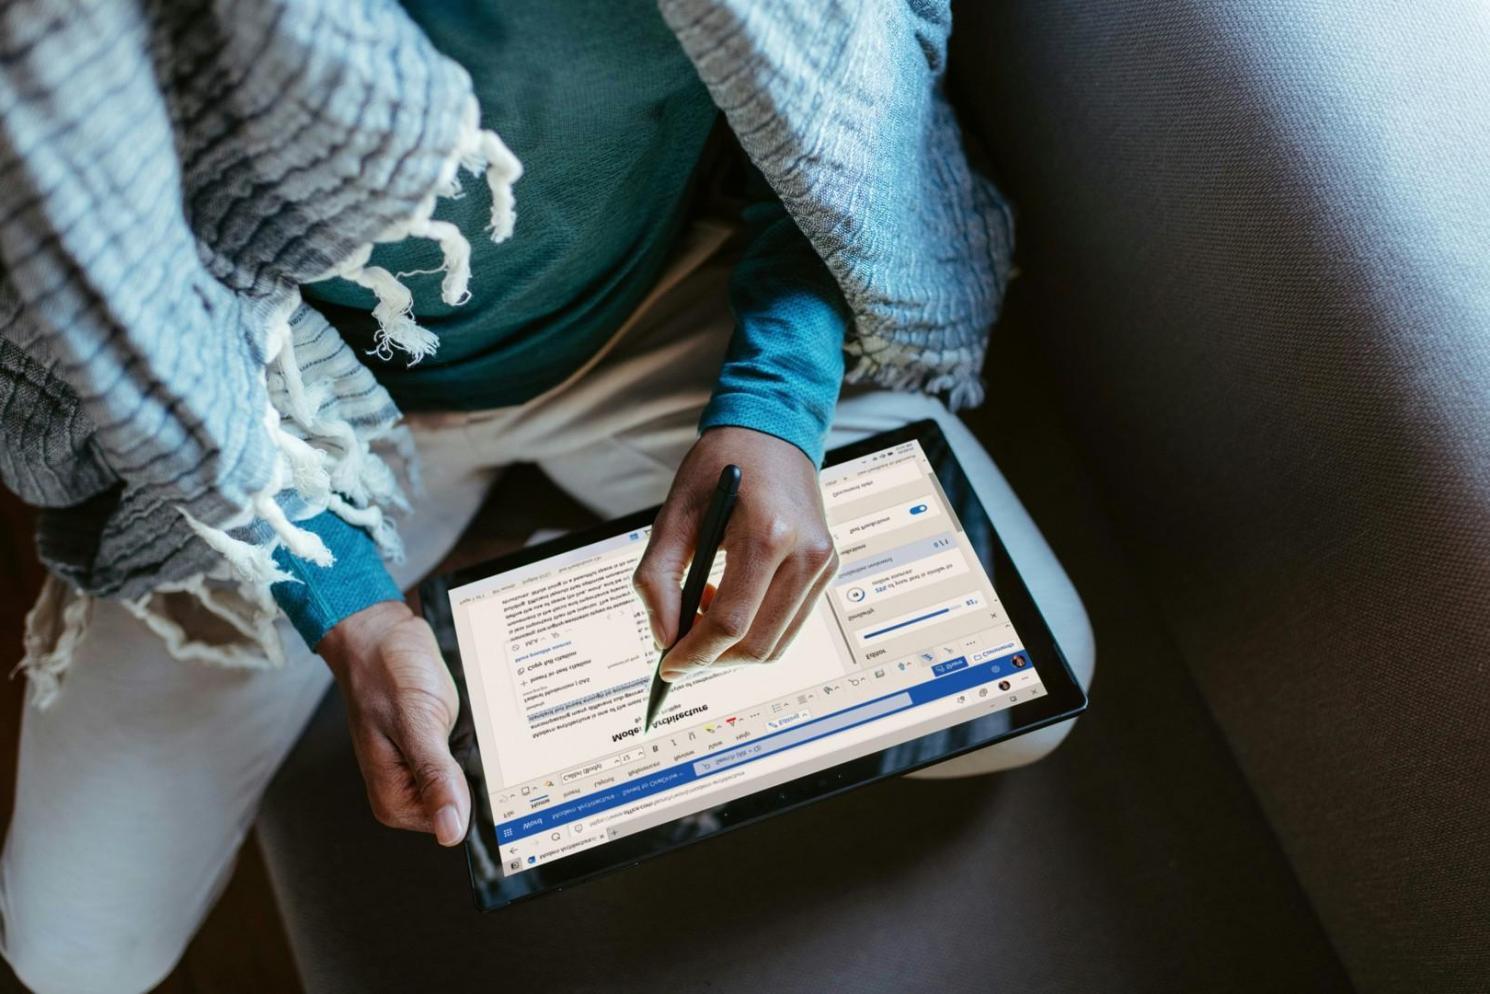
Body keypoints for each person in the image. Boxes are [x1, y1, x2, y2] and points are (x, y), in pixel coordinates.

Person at [0, 1, 1093, 991]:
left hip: (662, 308)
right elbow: (123, 315)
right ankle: (497, 565)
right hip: (292, 421)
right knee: (72, 954)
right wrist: (343, 602)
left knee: (1023, 689)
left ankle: (521, 559)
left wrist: (773, 403)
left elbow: (837, 113)